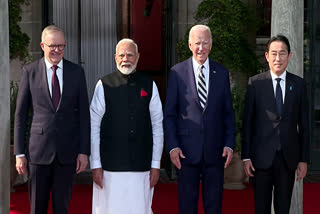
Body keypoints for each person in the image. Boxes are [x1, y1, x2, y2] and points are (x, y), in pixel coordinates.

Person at [14, 25, 90, 214]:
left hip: (67, 154)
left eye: (61, 46)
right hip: (38, 154)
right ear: (42, 45)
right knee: (37, 208)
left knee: (61, 207)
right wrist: (19, 153)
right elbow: (21, 115)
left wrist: (83, 151)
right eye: (52, 45)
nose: (57, 50)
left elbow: (84, 115)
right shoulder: (29, 72)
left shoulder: (76, 72)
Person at [163, 24, 236, 214]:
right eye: (197, 43)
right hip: (186, 153)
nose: (201, 48)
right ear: (189, 45)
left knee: (214, 206)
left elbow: (228, 113)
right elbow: (169, 115)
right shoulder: (177, 73)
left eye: (205, 43)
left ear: (211, 45)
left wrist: (229, 144)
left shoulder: (221, 73)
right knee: (187, 206)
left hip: (215, 151)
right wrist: (172, 146)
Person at [89, 38, 163, 214]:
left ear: (138, 57)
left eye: (130, 55)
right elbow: (94, 126)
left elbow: (157, 125)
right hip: (109, 167)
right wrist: (95, 165)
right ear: (115, 57)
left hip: (141, 165)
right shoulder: (103, 84)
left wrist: (156, 164)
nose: (126, 59)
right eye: (122, 55)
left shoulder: (149, 84)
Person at [241, 34, 309, 214]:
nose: (278, 58)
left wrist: (303, 159)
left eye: (282, 53)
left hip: (287, 159)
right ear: (267, 56)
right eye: (274, 54)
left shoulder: (299, 85)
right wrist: (246, 157)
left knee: (283, 208)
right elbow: (247, 122)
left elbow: (304, 124)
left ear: (289, 56)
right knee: (261, 208)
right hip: (260, 159)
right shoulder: (255, 84)